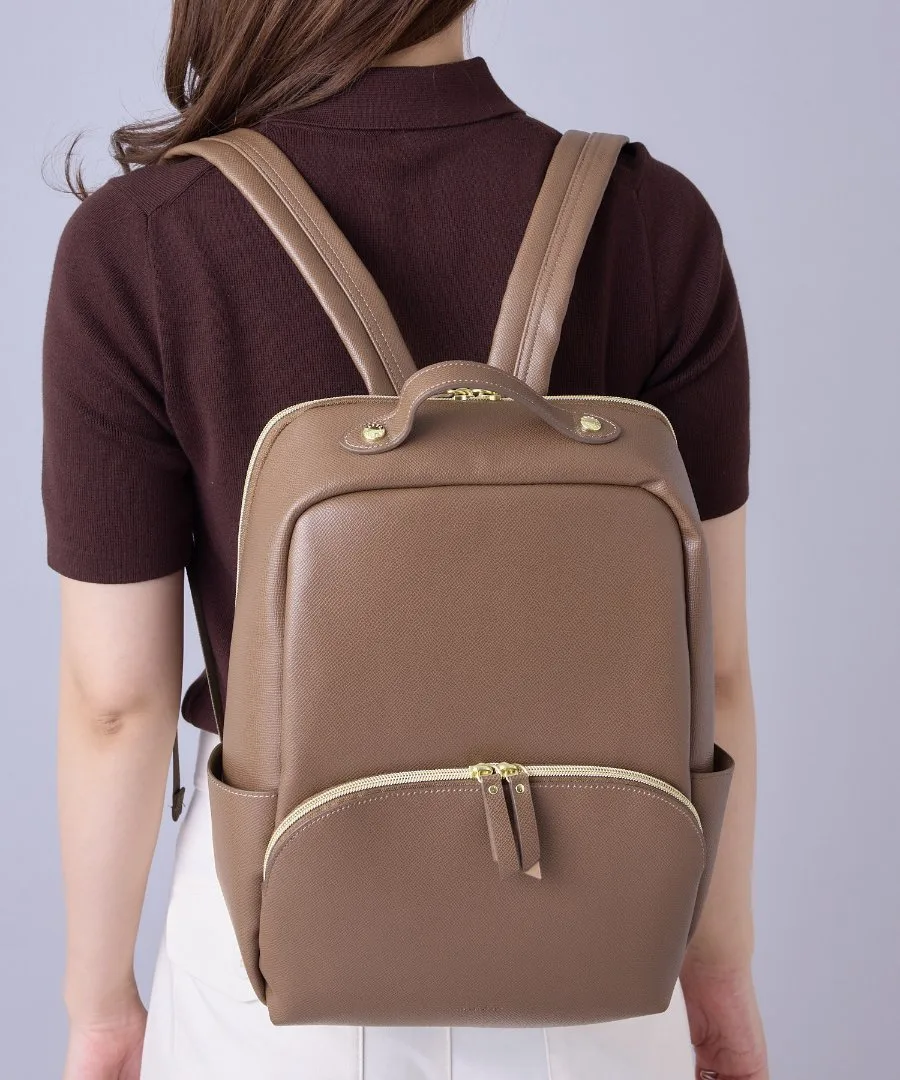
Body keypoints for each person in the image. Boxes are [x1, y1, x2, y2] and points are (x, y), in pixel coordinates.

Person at [42, 2, 768, 1078]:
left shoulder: (143, 242)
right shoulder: (654, 220)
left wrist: (101, 1005)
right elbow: (715, 676)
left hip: (275, 967)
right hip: (600, 958)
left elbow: (117, 704)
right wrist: (719, 970)